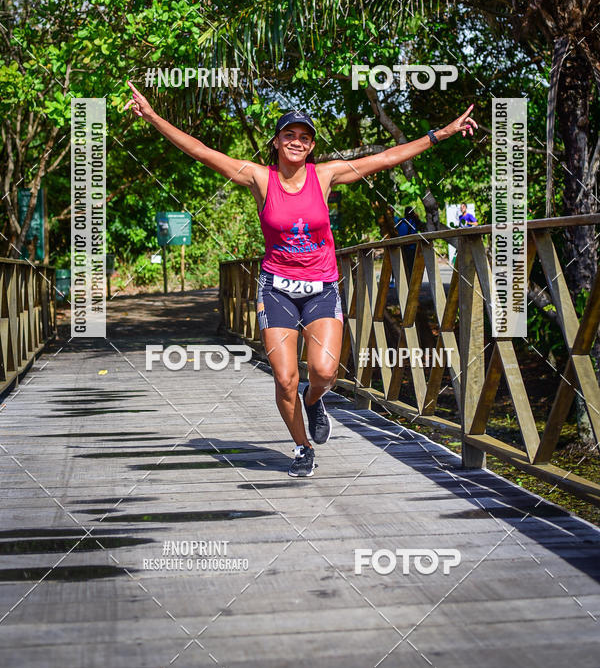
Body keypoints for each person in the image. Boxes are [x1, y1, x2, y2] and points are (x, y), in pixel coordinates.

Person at [124, 82, 478, 478]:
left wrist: (440, 134)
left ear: (311, 147)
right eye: (289, 134)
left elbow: (385, 158)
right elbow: (201, 151)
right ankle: (301, 447)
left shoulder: (324, 176)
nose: (297, 141)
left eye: (305, 137)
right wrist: (153, 117)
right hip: (276, 288)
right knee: (284, 376)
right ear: (276, 142)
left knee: (325, 372)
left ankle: (314, 400)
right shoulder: (259, 178)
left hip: (321, 288)